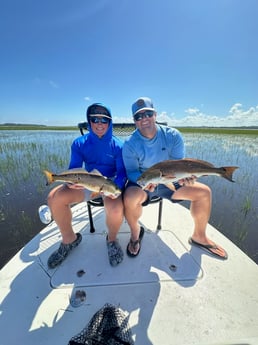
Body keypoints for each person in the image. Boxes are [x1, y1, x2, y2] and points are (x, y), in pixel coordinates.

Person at [122, 96, 228, 259]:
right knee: (129, 198)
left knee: (204, 193)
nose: (144, 119)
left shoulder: (173, 136)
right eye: (139, 116)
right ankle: (136, 235)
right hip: (145, 184)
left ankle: (199, 237)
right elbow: (131, 171)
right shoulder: (129, 143)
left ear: (155, 115)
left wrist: (185, 178)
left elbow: (182, 165)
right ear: (134, 121)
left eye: (148, 114)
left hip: (170, 181)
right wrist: (145, 181)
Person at [47, 103, 127, 268]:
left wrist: (115, 187)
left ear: (110, 122)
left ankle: (111, 240)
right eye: (94, 119)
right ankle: (70, 240)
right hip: (87, 182)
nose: (99, 123)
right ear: (89, 121)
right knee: (54, 198)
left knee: (116, 210)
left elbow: (122, 173)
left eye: (104, 120)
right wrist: (72, 183)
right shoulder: (79, 143)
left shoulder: (119, 145)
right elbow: (75, 167)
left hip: (109, 183)